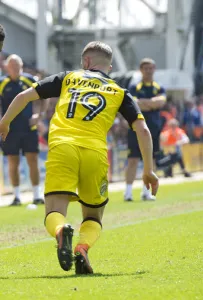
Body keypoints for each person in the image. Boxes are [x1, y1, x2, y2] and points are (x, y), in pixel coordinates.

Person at [0, 41, 159, 274]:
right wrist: (148, 169)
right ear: (109, 67)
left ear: (85, 62)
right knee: (94, 214)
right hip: (95, 152)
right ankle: (82, 248)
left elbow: (25, 96)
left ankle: (61, 230)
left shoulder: (68, 77)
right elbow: (143, 130)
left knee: (54, 211)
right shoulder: (119, 91)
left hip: (63, 146)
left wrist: (5, 122)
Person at [0, 55, 46, 206]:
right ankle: (17, 196)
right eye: (12, 66)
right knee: (13, 161)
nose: (14, 68)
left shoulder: (30, 80)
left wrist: (39, 116)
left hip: (28, 128)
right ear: (7, 67)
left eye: (17, 65)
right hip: (10, 130)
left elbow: (44, 97)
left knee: (32, 159)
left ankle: (37, 195)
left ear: (21, 66)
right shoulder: (2, 83)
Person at [124, 58, 166, 202]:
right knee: (133, 160)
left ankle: (146, 192)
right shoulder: (135, 87)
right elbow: (134, 104)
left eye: (151, 68)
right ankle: (128, 192)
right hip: (136, 128)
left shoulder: (159, 87)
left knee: (151, 160)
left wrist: (144, 103)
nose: (148, 71)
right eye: (145, 68)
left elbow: (160, 102)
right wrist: (151, 104)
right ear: (141, 70)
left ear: (154, 69)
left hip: (153, 129)